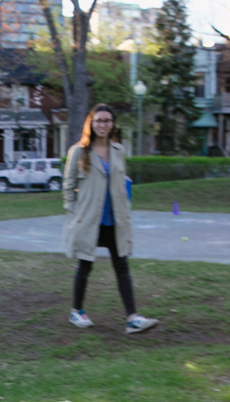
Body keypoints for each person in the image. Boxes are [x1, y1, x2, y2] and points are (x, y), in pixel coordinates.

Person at [62, 103, 158, 334]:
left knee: (122, 267)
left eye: (107, 120)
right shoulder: (79, 151)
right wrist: (73, 211)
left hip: (113, 220)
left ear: (112, 124)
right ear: (91, 123)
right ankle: (77, 311)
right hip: (89, 220)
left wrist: (126, 205)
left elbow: (121, 181)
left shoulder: (118, 150)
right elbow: (68, 185)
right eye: (98, 120)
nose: (102, 124)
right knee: (85, 265)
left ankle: (132, 318)